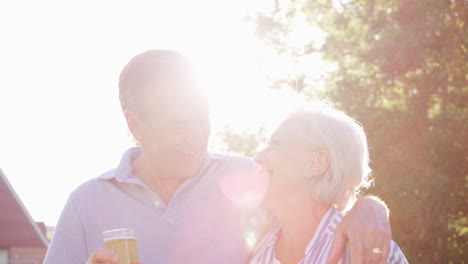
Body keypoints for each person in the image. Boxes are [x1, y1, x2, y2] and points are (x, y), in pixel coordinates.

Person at [44, 50, 393, 264]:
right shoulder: (86, 204)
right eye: (179, 126)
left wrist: (369, 207)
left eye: (202, 120)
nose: (196, 138)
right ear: (136, 123)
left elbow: (319, 201)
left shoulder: (247, 181)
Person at [249, 100, 408, 264]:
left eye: (275, 145)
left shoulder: (369, 254)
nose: (257, 157)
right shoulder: (258, 249)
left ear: (317, 162)